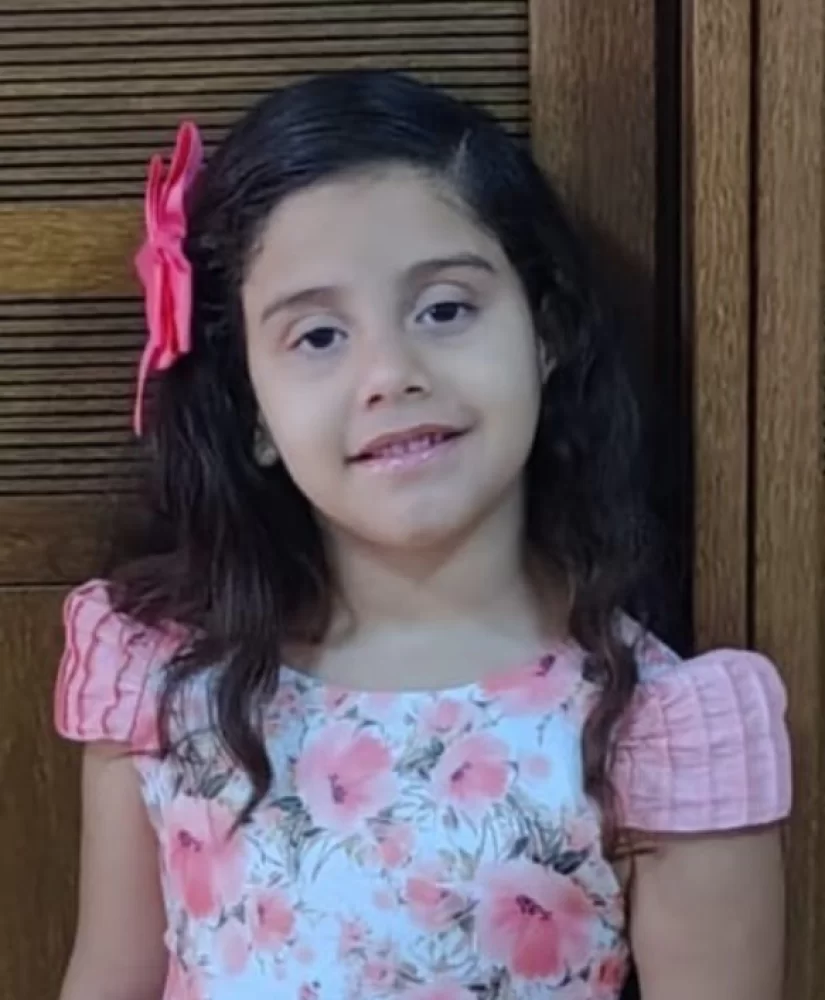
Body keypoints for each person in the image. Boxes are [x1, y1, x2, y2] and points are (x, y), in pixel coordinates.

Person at [54, 70, 790, 1000]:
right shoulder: (162, 676)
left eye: (443, 310)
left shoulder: (655, 725)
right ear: (252, 411)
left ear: (544, 334)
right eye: (318, 336)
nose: (390, 374)